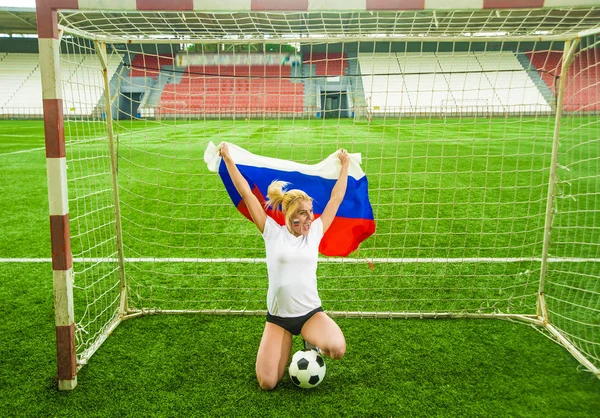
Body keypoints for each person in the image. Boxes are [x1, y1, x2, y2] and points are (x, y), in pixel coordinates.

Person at [218, 142, 349, 391]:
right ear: (289, 214)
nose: (309, 218)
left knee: (337, 349)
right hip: (278, 319)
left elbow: (337, 198)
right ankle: (288, 342)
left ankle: (311, 342)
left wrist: (344, 165)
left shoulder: (316, 232)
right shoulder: (271, 231)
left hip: (311, 314)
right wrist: (228, 159)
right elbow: (247, 193)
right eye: (303, 213)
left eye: (311, 212)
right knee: (267, 383)